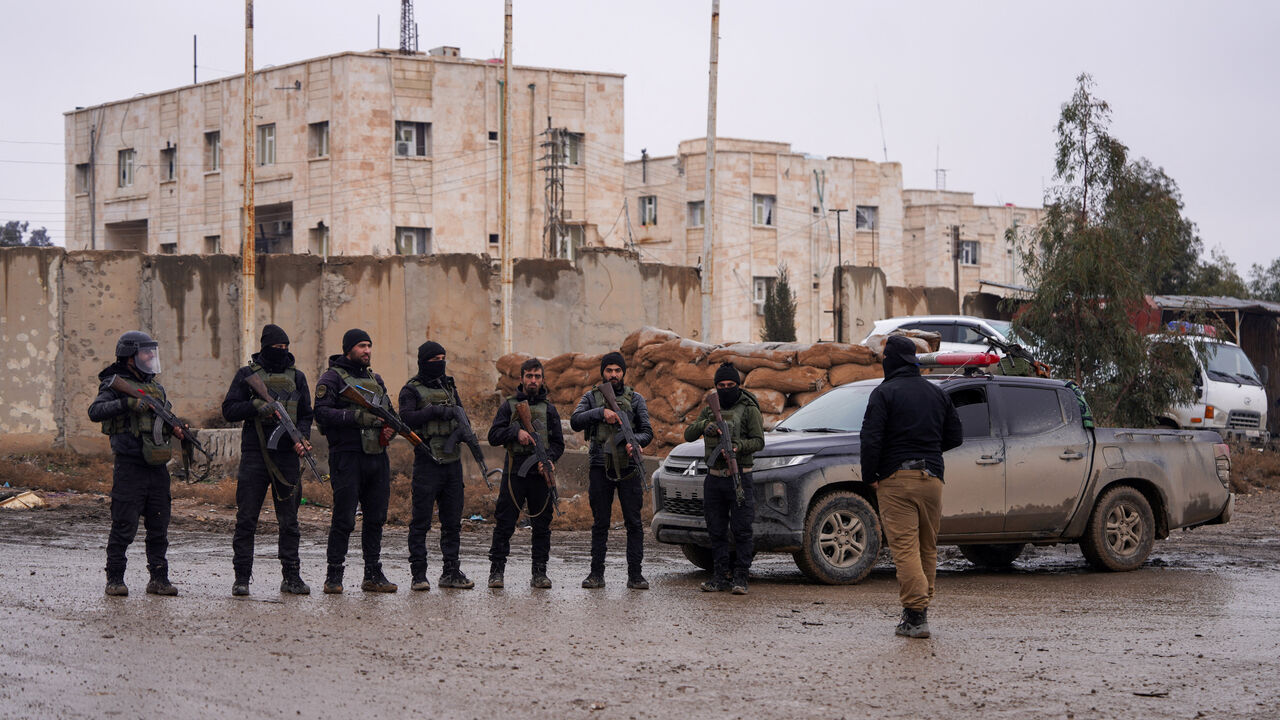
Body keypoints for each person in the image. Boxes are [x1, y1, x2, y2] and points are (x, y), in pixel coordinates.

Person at [859, 334, 962, 639]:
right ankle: (920, 609)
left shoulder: (884, 393)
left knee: (905, 549)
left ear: (889, 361)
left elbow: (871, 439)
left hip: (896, 479)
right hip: (932, 478)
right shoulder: (936, 393)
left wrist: (871, 475)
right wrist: (929, 452)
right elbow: (955, 436)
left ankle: (916, 616)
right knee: (927, 547)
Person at [87, 331, 188, 597]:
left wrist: (177, 428)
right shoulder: (114, 384)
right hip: (130, 466)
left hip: (157, 467)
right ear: (130, 357)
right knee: (124, 525)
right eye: (146, 352)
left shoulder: (155, 387)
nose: (151, 357)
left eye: (152, 352)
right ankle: (115, 579)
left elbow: (162, 417)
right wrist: (128, 403)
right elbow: (94, 412)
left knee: (159, 527)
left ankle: (159, 579)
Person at [220, 324, 314, 597]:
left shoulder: (297, 377)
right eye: (276, 348)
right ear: (264, 347)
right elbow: (228, 410)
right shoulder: (247, 375)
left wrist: (303, 437)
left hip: (287, 457)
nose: (281, 352)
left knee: (290, 521)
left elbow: (306, 413)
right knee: (246, 519)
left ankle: (292, 577)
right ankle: (241, 578)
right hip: (255, 456)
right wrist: (255, 407)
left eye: (285, 348)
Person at [314, 328, 398, 594]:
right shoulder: (332, 378)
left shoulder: (376, 379)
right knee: (344, 518)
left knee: (376, 518)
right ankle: (333, 576)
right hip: (347, 456)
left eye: (369, 346)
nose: (367, 351)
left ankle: (373, 574)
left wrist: (390, 430)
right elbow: (322, 413)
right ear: (348, 348)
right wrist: (357, 418)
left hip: (376, 458)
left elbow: (391, 415)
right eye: (362, 346)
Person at [570, 351, 654, 590]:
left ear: (624, 372)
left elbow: (648, 431)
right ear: (603, 372)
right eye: (609, 371)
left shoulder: (636, 399)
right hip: (600, 466)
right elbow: (575, 420)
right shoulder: (592, 397)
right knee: (600, 523)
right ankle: (596, 574)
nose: (614, 375)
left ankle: (635, 575)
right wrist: (600, 413)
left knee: (634, 523)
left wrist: (635, 441)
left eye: (618, 371)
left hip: (628, 467)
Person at [398, 340, 475, 591]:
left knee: (452, 521)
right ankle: (418, 574)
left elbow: (461, 414)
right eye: (434, 359)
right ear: (423, 362)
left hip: (452, 463)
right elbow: (406, 419)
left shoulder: (449, 386)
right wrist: (434, 412)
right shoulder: (412, 390)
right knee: (421, 521)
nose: (440, 363)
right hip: (427, 460)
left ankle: (451, 571)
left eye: (443, 358)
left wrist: (464, 432)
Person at [683, 362, 764, 595]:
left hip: (740, 476)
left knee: (742, 529)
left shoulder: (749, 408)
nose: (726, 389)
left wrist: (738, 447)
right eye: (721, 385)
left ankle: (741, 576)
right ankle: (719, 576)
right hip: (714, 479)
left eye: (730, 385)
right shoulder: (710, 408)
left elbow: (759, 441)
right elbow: (688, 434)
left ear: (738, 385)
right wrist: (705, 426)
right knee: (716, 529)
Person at [486, 358, 564, 590]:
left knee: (542, 524)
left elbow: (559, 443)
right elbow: (493, 436)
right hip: (515, 472)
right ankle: (496, 572)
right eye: (529, 376)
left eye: (537, 376)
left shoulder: (549, 409)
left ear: (542, 379)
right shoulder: (509, 406)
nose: (533, 380)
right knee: (505, 523)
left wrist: (549, 459)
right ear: (521, 379)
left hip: (540, 474)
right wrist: (515, 431)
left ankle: (539, 573)